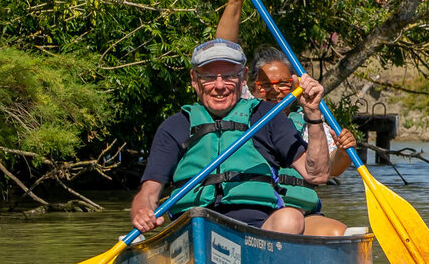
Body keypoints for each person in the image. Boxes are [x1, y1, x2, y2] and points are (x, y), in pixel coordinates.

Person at [131, 39, 333, 236]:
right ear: (194, 79)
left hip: (253, 230)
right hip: (192, 227)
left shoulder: (268, 116)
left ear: (243, 77)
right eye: (209, 77)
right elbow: (148, 192)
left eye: (228, 76)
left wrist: (313, 114)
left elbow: (316, 174)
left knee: (291, 218)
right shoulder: (174, 127)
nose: (220, 86)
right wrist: (142, 212)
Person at [247, 45, 360, 237]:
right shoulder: (241, 116)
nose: (275, 90)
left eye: (283, 84)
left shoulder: (312, 124)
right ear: (252, 88)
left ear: (294, 87)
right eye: (265, 84)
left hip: (302, 214)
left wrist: (343, 152)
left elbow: (331, 169)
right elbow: (225, 41)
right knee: (288, 221)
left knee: (338, 232)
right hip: (259, 214)